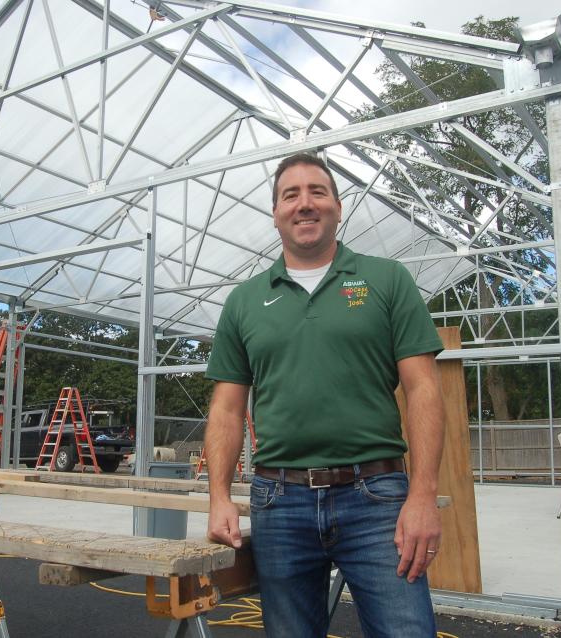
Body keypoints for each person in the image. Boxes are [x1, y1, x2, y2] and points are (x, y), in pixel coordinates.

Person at [204, 152, 445, 637]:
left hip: (376, 499)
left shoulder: (387, 279)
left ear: (337, 207)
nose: (304, 203)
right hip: (280, 501)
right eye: (290, 195)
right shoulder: (245, 300)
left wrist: (422, 495)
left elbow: (423, 390)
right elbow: (227, 410)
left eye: (317, 192)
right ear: (276, 213)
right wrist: (219, 496)